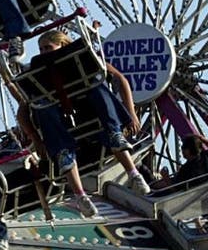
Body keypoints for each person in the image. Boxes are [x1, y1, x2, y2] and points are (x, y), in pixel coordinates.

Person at [19, 30, 150, 218]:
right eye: (41, 50)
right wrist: (35, 138)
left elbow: (120, 79)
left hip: (92, 112)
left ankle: (133, 173)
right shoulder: (38, 73)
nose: (44, 53)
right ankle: (80, 195)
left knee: (97, 86)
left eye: (48, 48)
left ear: (63, 46)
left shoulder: (86, 60)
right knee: (43, 107)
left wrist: (130, 113)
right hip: (63, 120)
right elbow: (23, 111)